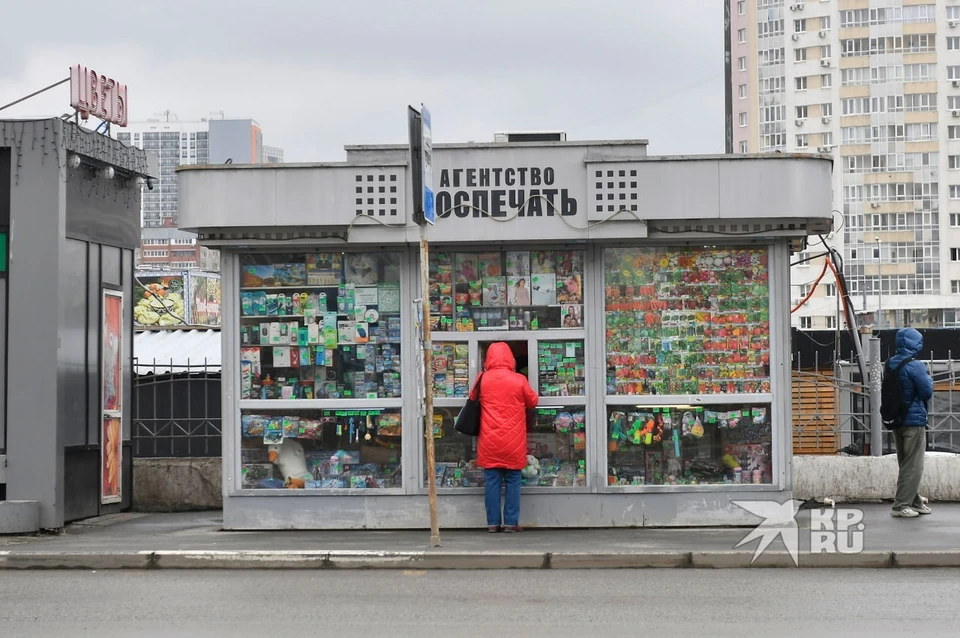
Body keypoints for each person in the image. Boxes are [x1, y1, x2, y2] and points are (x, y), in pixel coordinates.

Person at [476, 342, 538, 532]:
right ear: (510, 359)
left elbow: (472, 400)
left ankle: (493, 523)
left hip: (489, 440)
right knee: (513, 480)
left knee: (492, 482)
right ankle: (511, 523)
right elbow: (533, 401)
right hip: (513, 441)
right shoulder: (519, 379)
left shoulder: (482, 379)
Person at [886, 328, 934, 518]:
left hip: (896, 418)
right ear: (916, 344)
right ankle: (900, 505)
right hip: (914, 420)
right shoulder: (916, 365)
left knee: (905, 462)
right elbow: (926, 392)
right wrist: (929, 379)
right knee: (914, 465)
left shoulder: (889, 363)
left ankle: (915, 501)